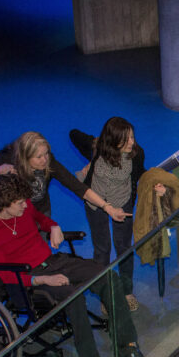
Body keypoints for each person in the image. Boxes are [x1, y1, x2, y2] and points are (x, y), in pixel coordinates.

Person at [0, 175, 152, 357]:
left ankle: (128, 346)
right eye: (19, 202)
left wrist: (54, 226)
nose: (25, 205)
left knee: (108, 278)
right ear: (4, 203)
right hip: (29, 278)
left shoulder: (25, 206)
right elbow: (5, 274)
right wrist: (43, 280)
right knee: (73, 297)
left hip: (55, 261)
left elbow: (40, 218)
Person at [0, 131, 127, 221]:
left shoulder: (49, 162)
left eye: (46, 154)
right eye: (39, 157)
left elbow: (78, 187)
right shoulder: (9, 160)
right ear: (25, 157)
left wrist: (108, 208)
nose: (44, 160)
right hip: (14, 215)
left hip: (41, 213)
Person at [69, 118, 146, 311]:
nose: (131, 142)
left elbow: (140, 175)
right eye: (125, 139)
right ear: (111, 141)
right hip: (96, 202)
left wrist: (153, 185)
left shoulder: (136, 154)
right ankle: (105, 295)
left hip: (123, 201)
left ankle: (127, 291)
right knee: (102, 248)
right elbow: (74, 134)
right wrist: (94, 145)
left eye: (132, 137)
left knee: (124, 247)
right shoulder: (98, 149)